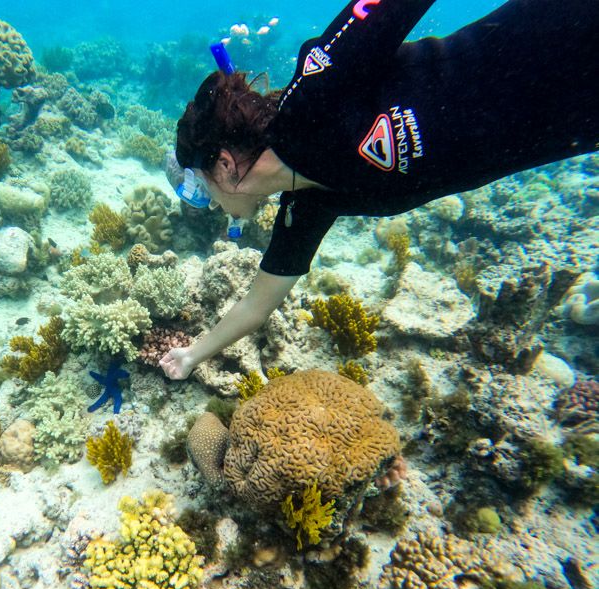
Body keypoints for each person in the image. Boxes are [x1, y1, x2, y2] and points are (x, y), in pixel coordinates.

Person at [160, 0, 598, 380]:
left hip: (563, 33)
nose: (210, 205)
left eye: (201, 186)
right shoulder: (307, 208)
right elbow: (256, 307)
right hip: (570, 126)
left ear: (224, 165)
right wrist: (192, 355)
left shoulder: (317, 90)